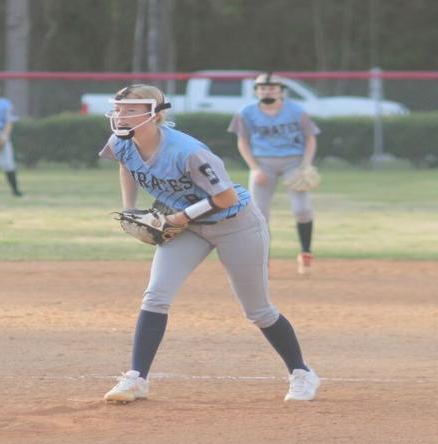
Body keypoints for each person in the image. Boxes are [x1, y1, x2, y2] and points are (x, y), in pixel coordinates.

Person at [98, 85, 320, 404]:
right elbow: (126, 165)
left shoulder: (187, 150)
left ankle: (302, 373)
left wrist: (181, 217)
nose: (121, 115)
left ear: (156, 114)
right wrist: (130, 206)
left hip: (236, 224)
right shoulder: (121, 142)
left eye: (131, 109)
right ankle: (137, 378)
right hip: (188, 226)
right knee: (156, 296)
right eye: (118, 108)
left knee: (258, 310)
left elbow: (225, 197)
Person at [229, 72, 321, 275]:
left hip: (293, 162)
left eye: (271, 87)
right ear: (256, 91)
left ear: (281, 90)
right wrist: (254, 168)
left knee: (302, 210)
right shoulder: (246, 112)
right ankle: (263, 262)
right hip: (263, 164)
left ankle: (305, 253)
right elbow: (242, 142)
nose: (267, 91)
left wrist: (305, 165)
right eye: (262, 88)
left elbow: (310, 138)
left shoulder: (296, 111)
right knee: (259, 215)